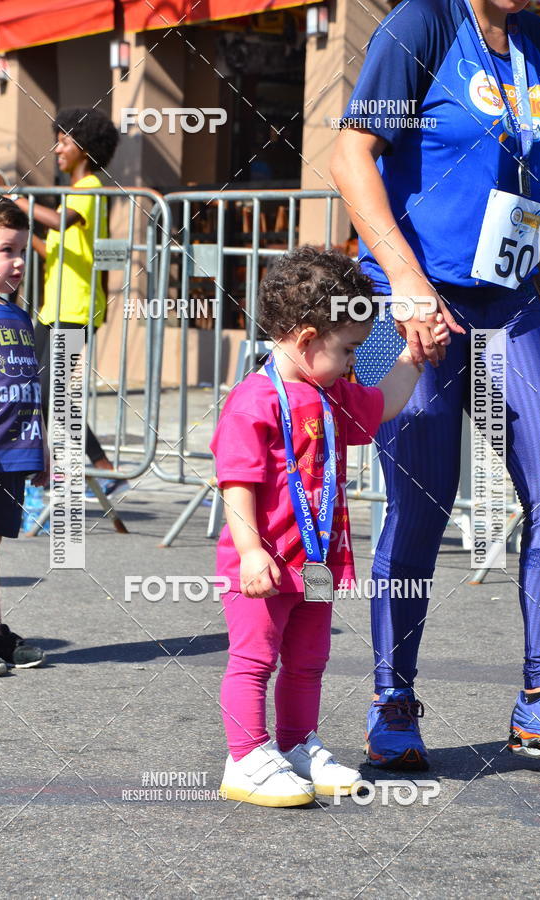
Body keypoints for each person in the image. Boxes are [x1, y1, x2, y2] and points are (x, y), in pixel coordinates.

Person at [330, 0, 540, 770]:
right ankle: (392, 699)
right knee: (420, 505)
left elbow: (538, 192)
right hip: (408, 302)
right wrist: (404, 283)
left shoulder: (538, 38)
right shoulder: (422, 22)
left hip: (509, 303)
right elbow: (347, 155)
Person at [210, 246, 450, 806]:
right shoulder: (254, 401)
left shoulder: (331, 392)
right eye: (347, 350)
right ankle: (245, 757)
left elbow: (385, 403)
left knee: (308, 660)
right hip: (264, 565)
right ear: (305, 337)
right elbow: (236, 485)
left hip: (317, 561)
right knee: (254, 659)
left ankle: (296, 746)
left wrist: (414, 358)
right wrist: (249, 551)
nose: (352, 363)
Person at [14, 107, 125, 498]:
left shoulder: (90, 188)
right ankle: (98, 467)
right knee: (41, 390)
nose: (56, 148)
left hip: (76, 310)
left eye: (64, 140)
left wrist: (21, 202)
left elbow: (65, 223)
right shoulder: (69, 196)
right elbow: (55, 250)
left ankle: (66, 470)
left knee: (47, 391)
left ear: (86, 147)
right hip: (53, 308)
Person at [0, 194, 48, 677]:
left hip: (12, 453)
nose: (20, 260)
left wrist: (39, 443)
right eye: (6, 249)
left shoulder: (18, 315)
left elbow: (28, 385)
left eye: (22, 249)